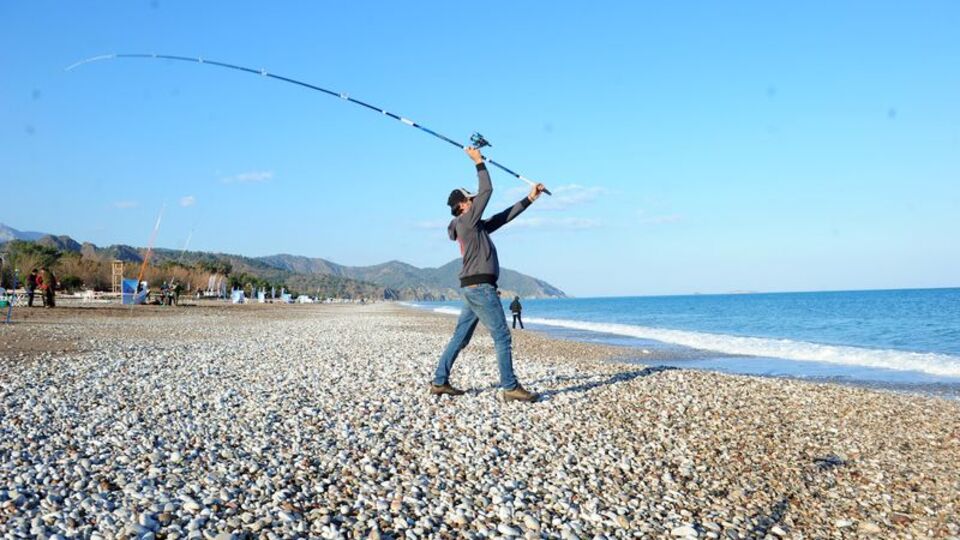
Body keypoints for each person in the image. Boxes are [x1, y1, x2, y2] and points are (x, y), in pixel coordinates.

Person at [430, 146, 546, 402]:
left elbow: (503, 217)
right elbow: (487, 191)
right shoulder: (466, 222)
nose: (474, 201)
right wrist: (478, 162)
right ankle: (510, 387)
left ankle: (439, 381)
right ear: (462, 206)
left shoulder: (475, 226)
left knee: (460, 337)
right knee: (502, 336)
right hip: (480, 288)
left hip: (473, 289)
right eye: (469, 200)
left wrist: (530, 199)